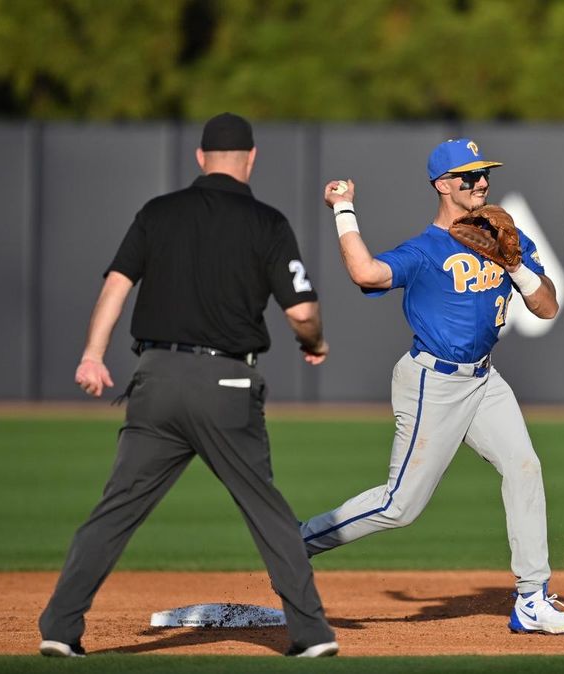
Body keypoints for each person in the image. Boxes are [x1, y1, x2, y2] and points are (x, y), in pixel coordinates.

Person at [38, 113, 339, 658]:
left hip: (155, 380)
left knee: (116, 509)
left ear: (200, 158)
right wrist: (314, 341)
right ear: (251, 159)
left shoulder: (157, 212)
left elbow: (116, 286)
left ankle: (60, 626)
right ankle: (312, 635)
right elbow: (301, 311)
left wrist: (92, 355)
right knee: (267, 512)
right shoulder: (267, 222)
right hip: (226, 383)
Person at [300, 138, 564, 635]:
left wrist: (515, 265)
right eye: (469, 176)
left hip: (485, 380)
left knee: (525, 468)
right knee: (399, 506)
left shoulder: (505, 236)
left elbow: (547, 307)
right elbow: (366, 273)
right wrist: (343, 209)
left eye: (484, 173)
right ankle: (292, 543)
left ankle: (531, 598)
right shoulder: (426, 249)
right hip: (432, 380)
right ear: (443, 185)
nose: (481, 182)